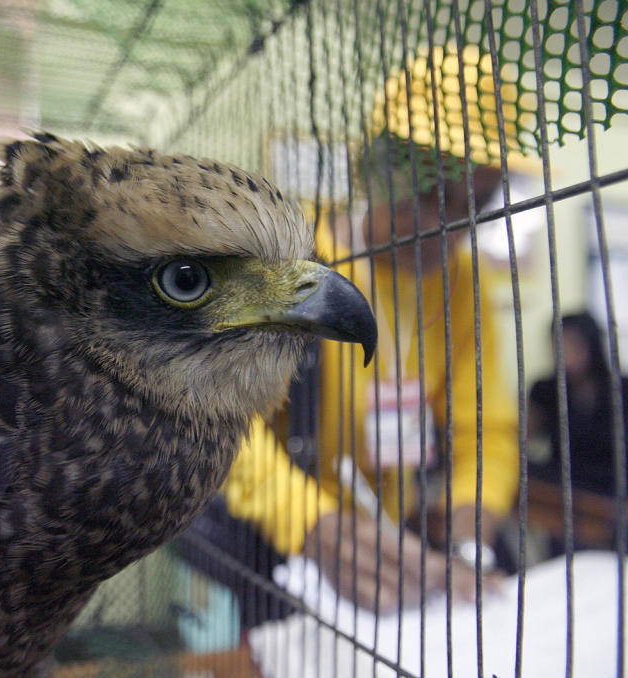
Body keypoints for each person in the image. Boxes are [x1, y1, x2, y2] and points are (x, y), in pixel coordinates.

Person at [221, 44, 521, 612]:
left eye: (475, 203)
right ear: (374, 170)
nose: (449, 226)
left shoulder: (464, 285)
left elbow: (488, 431)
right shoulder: (299, 263)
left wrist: (466, 529)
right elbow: (229, 431)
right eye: (431, 193)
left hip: (395, 535)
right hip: (283, 547)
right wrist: (310, 524)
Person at [529, 312, 628, 496]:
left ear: (592, 345)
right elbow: (522, 437)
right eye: (558, 347)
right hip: (563, 486)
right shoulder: (545, 389)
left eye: (573, 346)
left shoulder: (621, 388)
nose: (566, 356)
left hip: (614, 489)